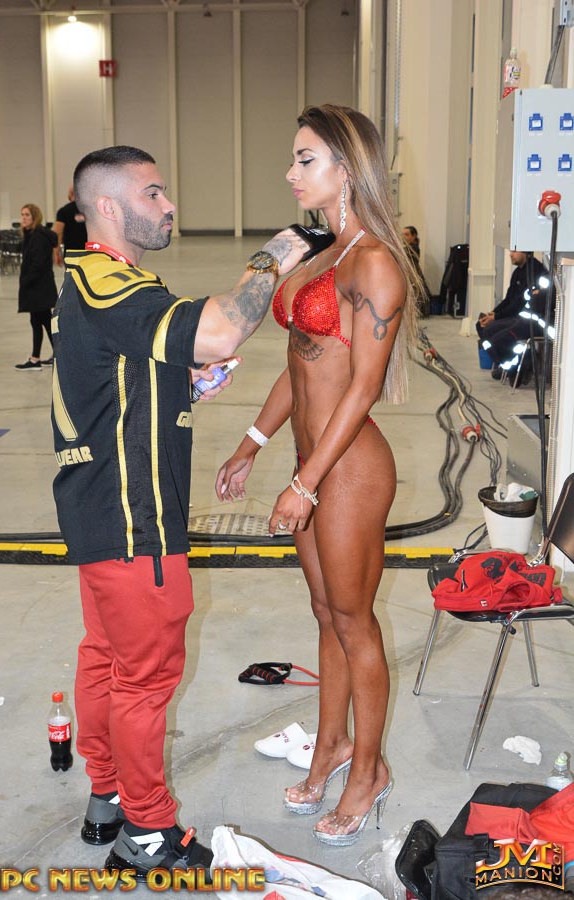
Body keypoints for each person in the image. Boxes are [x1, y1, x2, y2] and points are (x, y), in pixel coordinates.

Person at [50, 145, 307, 880]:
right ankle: (149, 832)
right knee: (146, 678)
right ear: (107, 207)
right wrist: (276, 255)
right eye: (153, 193)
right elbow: (221, 328)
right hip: (134, 517)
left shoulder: (104, 281)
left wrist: (180, 386)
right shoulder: (107, 281)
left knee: (107, 658)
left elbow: (111, 381)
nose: (168, 206)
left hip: (102, 512)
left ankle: (107, 794)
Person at [216, 105, 418, 847]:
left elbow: (361, 387)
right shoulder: (323, 254)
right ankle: (330, 744)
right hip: (312, 460)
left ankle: (369, 770)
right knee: (327, 613)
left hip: (350, 469)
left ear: (347, 167)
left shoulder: (373, 263)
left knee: (355, 621)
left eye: (306, 160)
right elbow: (301, 364)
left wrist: (305, 484)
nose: (291, 173)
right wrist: (252, 442)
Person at [476, 250, 550, 384]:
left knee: (496, 336)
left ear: (526, 251)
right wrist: (492, 314)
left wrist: (496, 317)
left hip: (527, 320)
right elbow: (508, 299)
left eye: (515, 251)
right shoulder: (517, 272)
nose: (511, 254)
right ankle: (504, 364)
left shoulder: (534, 271)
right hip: (516, 317)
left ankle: (517, 365)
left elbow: (518, 304)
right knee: (482, 328)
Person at [15, 204, 58, 370]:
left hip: (38, 287)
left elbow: (38, 263)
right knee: (42, 321)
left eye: (27, 215)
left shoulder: (38, 236)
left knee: (40, 322)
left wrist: (26, 281)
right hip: (39, 286)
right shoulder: (32, 235)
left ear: (35, 217)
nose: (23, 218)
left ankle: (37, 359)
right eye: (22, 214)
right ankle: (46, 357)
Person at [52, 185, 88, 266]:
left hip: (71, 254)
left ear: (70, 194)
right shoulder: (90, 210)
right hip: (90, 253)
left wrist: (56, 253)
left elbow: (57, 233)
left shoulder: (63, 211)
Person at [403, 225, 431, 317]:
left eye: (407, 234)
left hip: (413, 274)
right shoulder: (407, 247)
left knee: (416, 292)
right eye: (403, 234)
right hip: (409, 273)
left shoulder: (414, 248)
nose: (404, 237)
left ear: (413, 236)